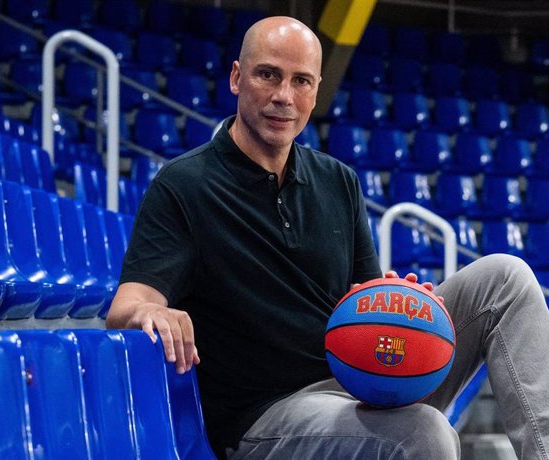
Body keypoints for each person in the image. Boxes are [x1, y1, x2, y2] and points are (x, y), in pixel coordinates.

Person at [106, 16, 549, 459]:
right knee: (423, 432)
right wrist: (151, 312)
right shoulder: (183, 185)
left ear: (315, 91)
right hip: (268, 417)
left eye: (301, 81)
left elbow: (364, 302)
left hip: (361, 381)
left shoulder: (339, 181)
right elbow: (125, 307)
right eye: (268, 75)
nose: (284, 96)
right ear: (237, 78)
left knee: (506, 279)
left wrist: (403, 302)